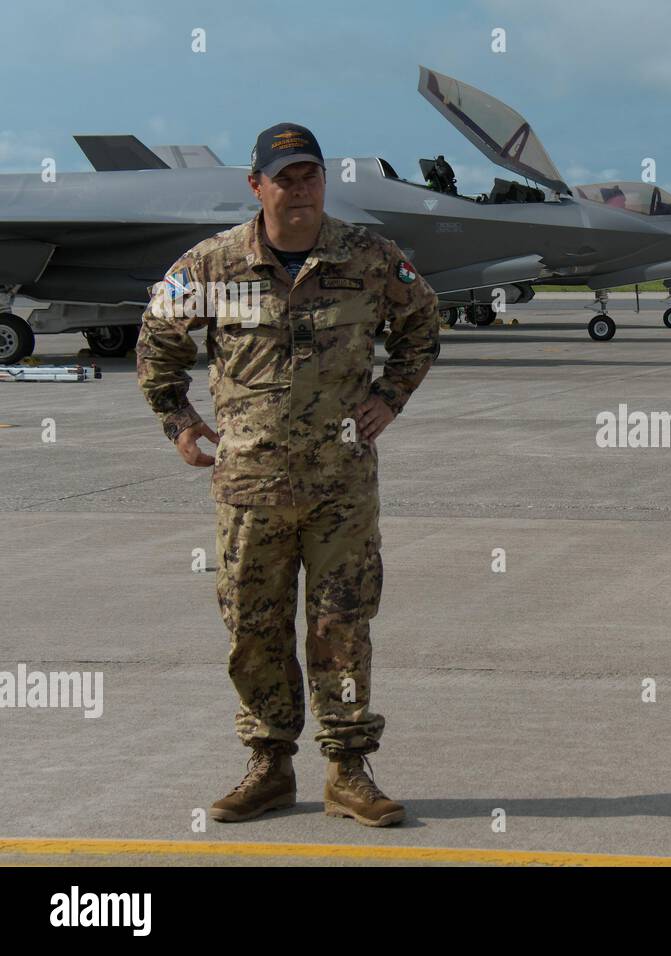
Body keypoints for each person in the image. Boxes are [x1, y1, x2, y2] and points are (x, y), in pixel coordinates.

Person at [136, 123, 440, 827]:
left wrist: (390, 397)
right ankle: (268, 767)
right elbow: (157, 344)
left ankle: (348, 770)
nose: (300, 190)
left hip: (341, 489)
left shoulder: (368, 259)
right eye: (286, 178)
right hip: (249, 489)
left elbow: (422, 324)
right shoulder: (212, 266)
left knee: (342, 625)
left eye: (311, 176)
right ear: (257, 186)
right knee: (254, 627)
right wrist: (179, 424)